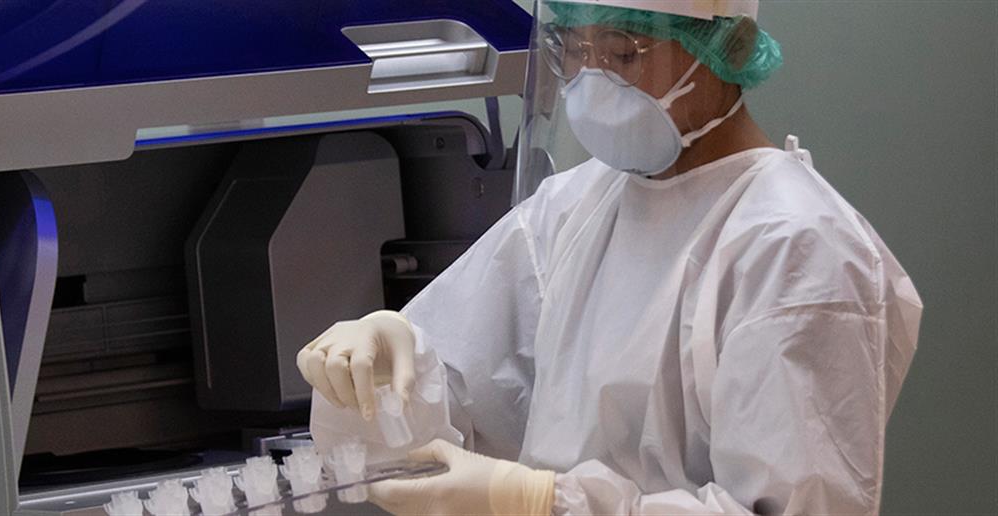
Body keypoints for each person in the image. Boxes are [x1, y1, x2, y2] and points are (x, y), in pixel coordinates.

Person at [296, 1, 922, 514]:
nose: (592, 79)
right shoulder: (575, 206)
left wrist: (543, 501)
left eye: (623, 52)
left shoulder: (796, 248)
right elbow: (440, 419)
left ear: (728, 48)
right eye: (572, 48)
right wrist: (384, 373)